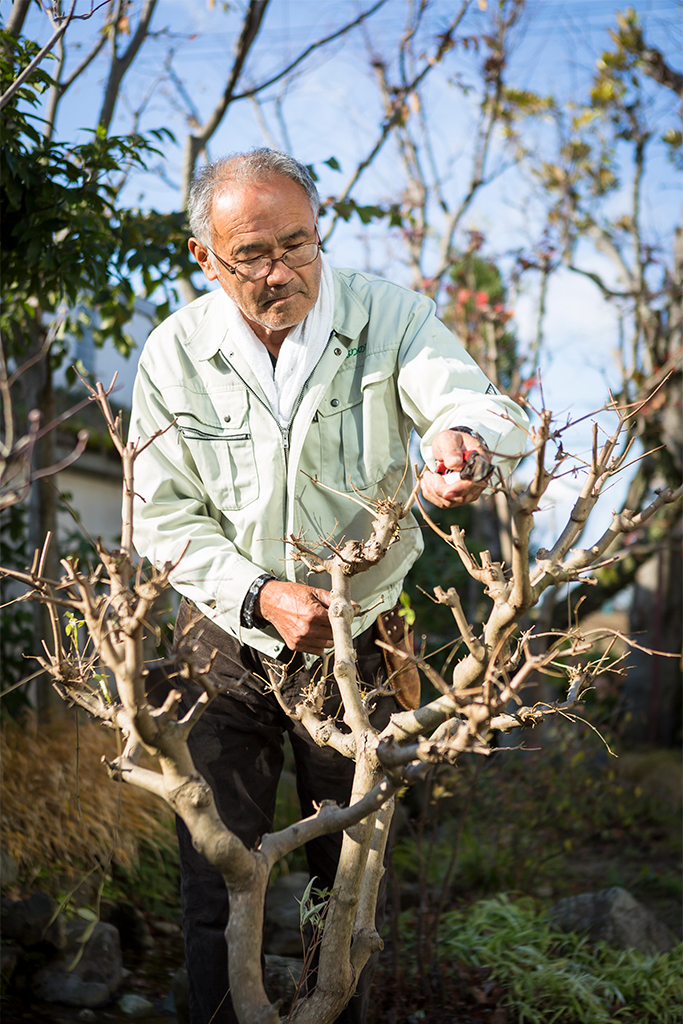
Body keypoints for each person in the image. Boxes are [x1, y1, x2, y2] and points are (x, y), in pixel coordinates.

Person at [130, 148, 529, 1024]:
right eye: (253, 256)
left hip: (365, 638)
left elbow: (487, 408)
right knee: (215, 881)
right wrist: (256, 593)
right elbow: (157, 517)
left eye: (299, 244)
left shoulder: (389, 318)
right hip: (219, 638)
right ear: (205, 257)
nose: (283, 272)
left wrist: (461, 441)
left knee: (345, 892)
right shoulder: (173, 353)